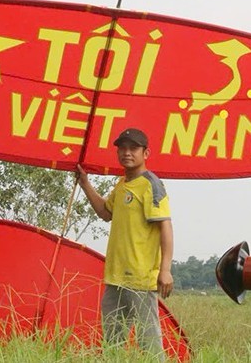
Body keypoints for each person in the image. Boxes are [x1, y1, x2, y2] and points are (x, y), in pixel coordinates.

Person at [76, 127, 174, 359]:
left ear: (146, 153)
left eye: (133, 148)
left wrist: (166, 270)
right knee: (112, 343)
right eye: (122, 149)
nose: (127, 153)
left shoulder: (151, 184)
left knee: (149, 343)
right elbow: (105, 212)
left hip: (140, 278)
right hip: (115, 276)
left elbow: (165, 226)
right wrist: (85, 184)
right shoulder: (122, 184)